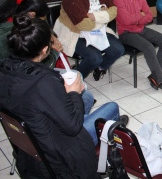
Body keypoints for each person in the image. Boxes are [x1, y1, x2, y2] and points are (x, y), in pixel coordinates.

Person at [0, 14, 100, 178]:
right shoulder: (43, 82)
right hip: (61, 156)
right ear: (45, 50)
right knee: (110, 111)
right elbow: (73, 127)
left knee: (87, 99)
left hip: (31, 146)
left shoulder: (4, 69)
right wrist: (74, 91)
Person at [53, 0, 124, 80]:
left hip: (96, 31)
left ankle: (99, 68)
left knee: (118, 50)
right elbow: (84, 25)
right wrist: (104, 16)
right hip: (75, 33)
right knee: (95, 58)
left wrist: (94, 16)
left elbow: (114, 10)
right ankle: (75, 80)